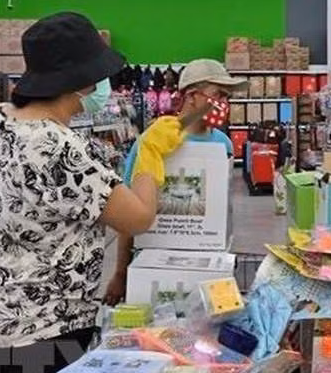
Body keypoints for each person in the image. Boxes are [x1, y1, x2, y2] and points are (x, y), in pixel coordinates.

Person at [0, 12, 185, 373]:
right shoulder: (62, 150)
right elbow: (139, 217)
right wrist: (149, 154)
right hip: (37, 329)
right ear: (82, 82)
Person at [104, 59, 246, 305]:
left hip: (205, 265)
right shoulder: (152, 142)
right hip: (154, 264)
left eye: (227, 97)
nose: (225, 103)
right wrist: (121, 274)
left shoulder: (223, 144)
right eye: (219, 95)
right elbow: (128, 216)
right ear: (192, 95)